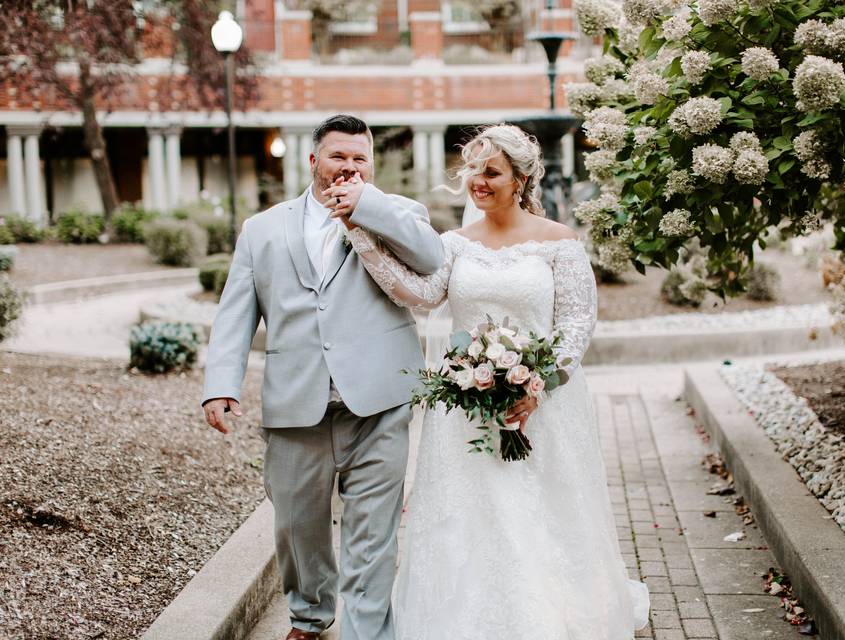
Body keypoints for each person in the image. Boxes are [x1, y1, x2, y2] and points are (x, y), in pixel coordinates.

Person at [343, 124, 650, 639]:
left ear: (520, 178)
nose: (477, 181)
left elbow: (577, 323)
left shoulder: (558, 242)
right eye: (472, 170)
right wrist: (361, 235)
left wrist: (539, 385)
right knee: (471, 514)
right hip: (463, 406)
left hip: (544, 407)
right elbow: (418, 295)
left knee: (544, 508)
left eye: (491, 171)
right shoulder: (455, 244)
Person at [201, 114, 444, 640]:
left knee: (373, 532)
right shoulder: (262, 229)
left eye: (361, 158)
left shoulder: (398, 213)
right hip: (296, 402)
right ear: (313, 161)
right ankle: (311, 616)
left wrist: (368, 209)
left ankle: (366, 631)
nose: (349, 167)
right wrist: (220, 384)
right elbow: (235, 313)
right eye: (339, 156)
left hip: (378, 400)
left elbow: (431, 258)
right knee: (297, 527)